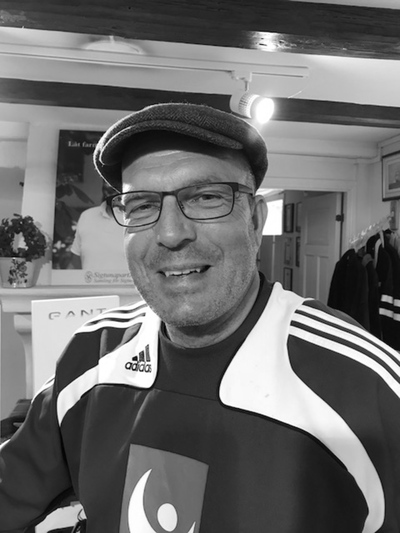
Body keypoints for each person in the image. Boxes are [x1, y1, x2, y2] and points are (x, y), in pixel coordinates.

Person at [1, 102, 400, 533]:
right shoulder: (91, 354)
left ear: (255, 221)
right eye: (141, 206)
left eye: (206, 197)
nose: (171, 234)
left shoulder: (364, 384)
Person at [70, 181, 127, 270]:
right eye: (107, 184)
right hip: (90, 279)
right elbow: (76, 258)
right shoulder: (87, 216)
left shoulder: (139, 219)